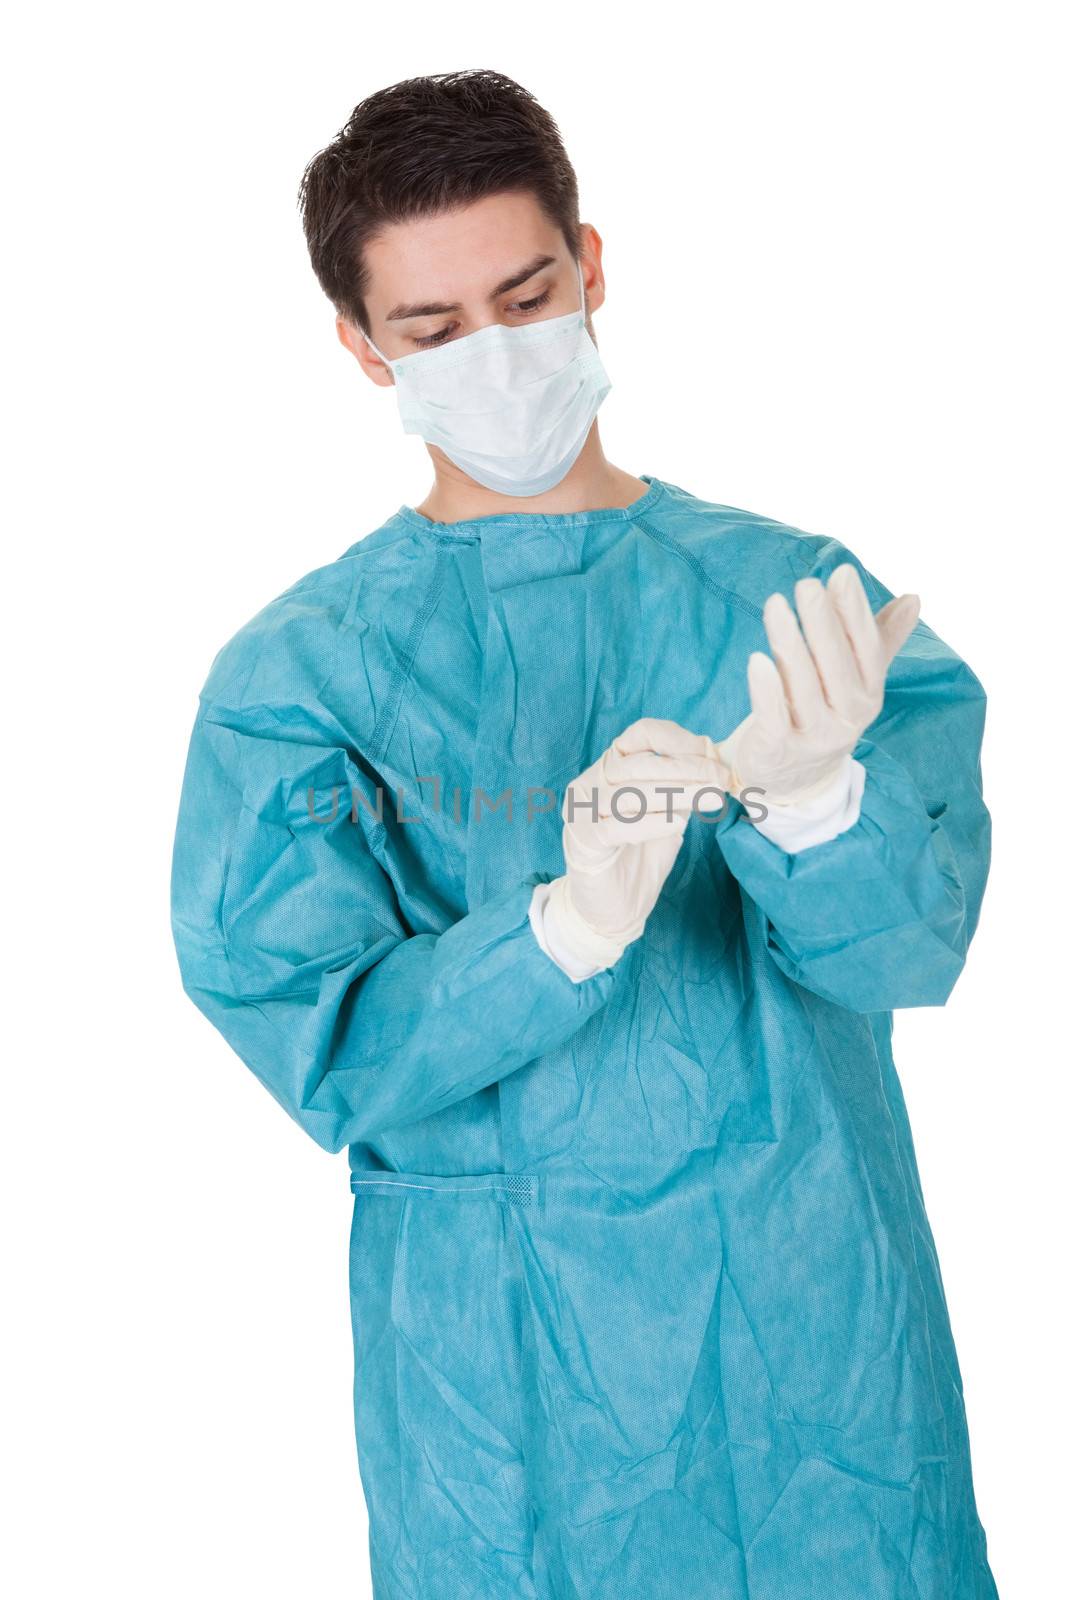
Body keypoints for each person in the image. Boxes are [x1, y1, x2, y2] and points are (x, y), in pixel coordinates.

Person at [170, 68, 999, 1600]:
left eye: (525, 293)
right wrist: (555, 932)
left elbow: (914, 952)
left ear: (592, 266)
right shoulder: (302, 679)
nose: (494, 355)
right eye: (431, 330)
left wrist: (818, 808)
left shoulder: (797, 603)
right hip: (500, 1393)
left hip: (815, 1341)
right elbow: (328, 1048)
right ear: (362, 349)